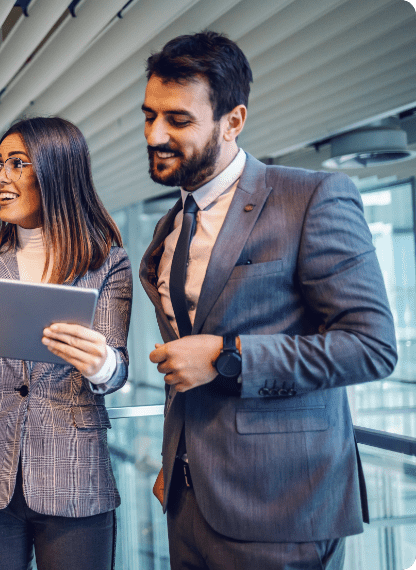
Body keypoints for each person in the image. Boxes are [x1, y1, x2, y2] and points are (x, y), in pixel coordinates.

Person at [138, 31, 397, 569]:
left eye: (178, 120)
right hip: (188, 504)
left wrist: (225, 355)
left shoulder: (310, 199)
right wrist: (178, 458)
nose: (155, 134)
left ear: (233, 121)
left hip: (282, 507)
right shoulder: (168, 226)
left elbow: (371, 347)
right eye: (148, 115)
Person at [0, 117, 131, 570]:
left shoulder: (106, 262)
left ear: (56, 171)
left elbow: (116, 371)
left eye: (17, 164)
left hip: (74, 473)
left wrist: (100, 363)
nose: (1, 177)